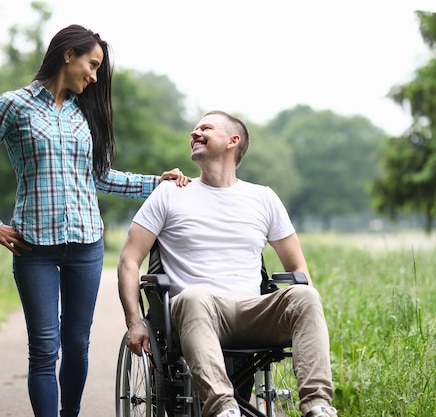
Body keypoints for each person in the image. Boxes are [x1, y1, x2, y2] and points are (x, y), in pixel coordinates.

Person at [0, 24, 190, 417]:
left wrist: (158, 182)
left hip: (86, 245)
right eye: (92, 64)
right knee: (45, 347)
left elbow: (100, 176)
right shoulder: (14, 105)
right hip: (34, 248)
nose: (95, 76)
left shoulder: (85, 113)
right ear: (69, 55)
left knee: (77, 343)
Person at [117, 110, 337, 417]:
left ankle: (318, 406)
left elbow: (298, 267)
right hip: (196, 310)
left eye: (205, 128)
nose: (194, 133)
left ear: (233, 141)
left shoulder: (263, 198)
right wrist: (134, 320)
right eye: (194, 129)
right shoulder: (169, 193)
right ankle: (223, 410)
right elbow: (129, 259)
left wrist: (299, 305)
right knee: (195, 295)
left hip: (252, 310)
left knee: (306, 295)